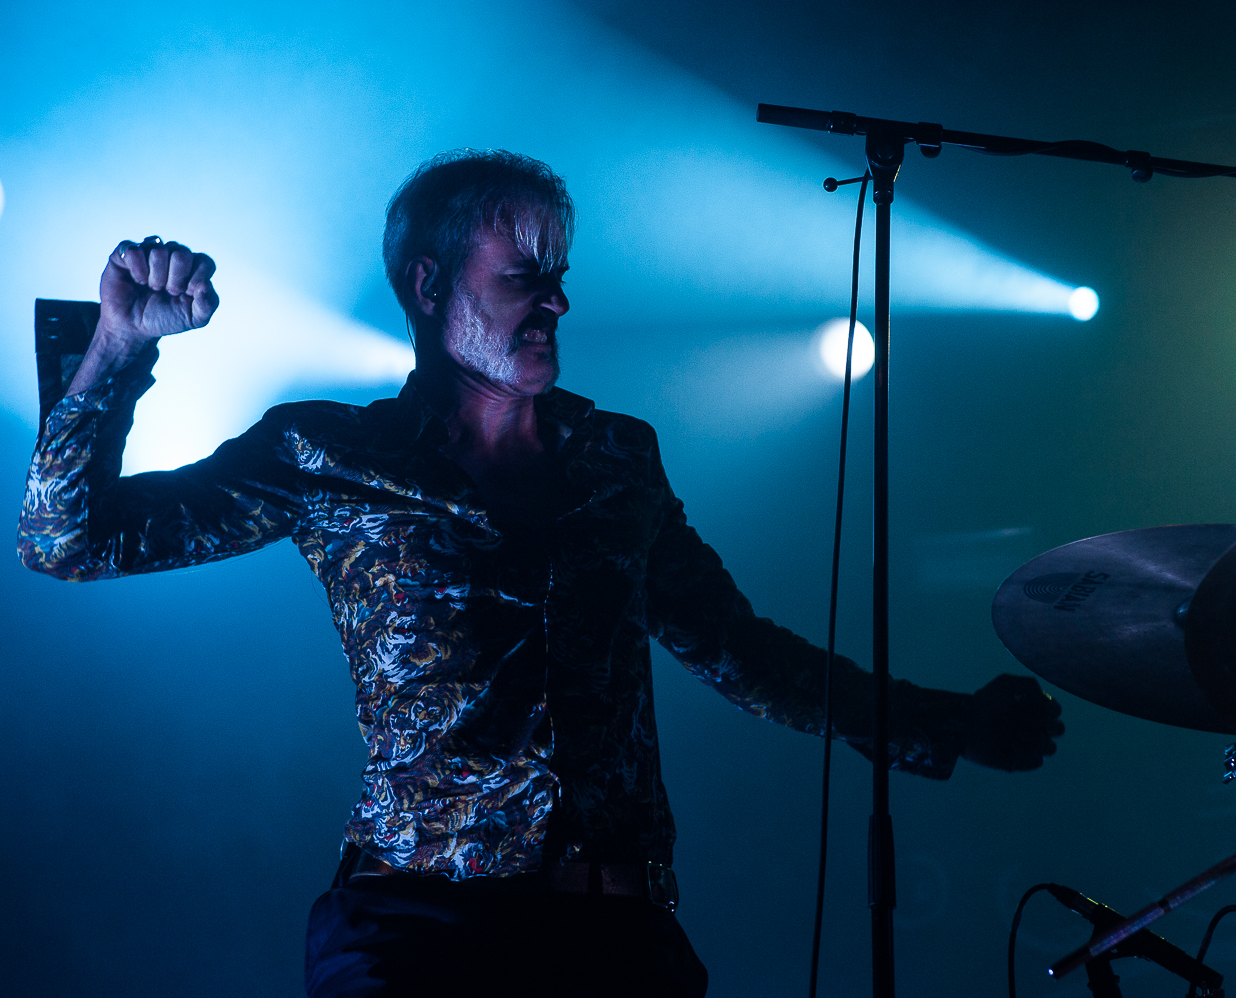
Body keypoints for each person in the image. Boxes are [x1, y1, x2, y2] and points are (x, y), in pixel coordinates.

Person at [17, 149, 1063, 997]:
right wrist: (116, 348)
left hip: (613, 937)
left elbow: (743, 655)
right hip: (414, 931)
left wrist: (946, 724)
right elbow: (69, 542)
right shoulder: (328, 453)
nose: (555, 301)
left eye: (559, 275)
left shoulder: (617, 460)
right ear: (430, 285)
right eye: (523, 274)